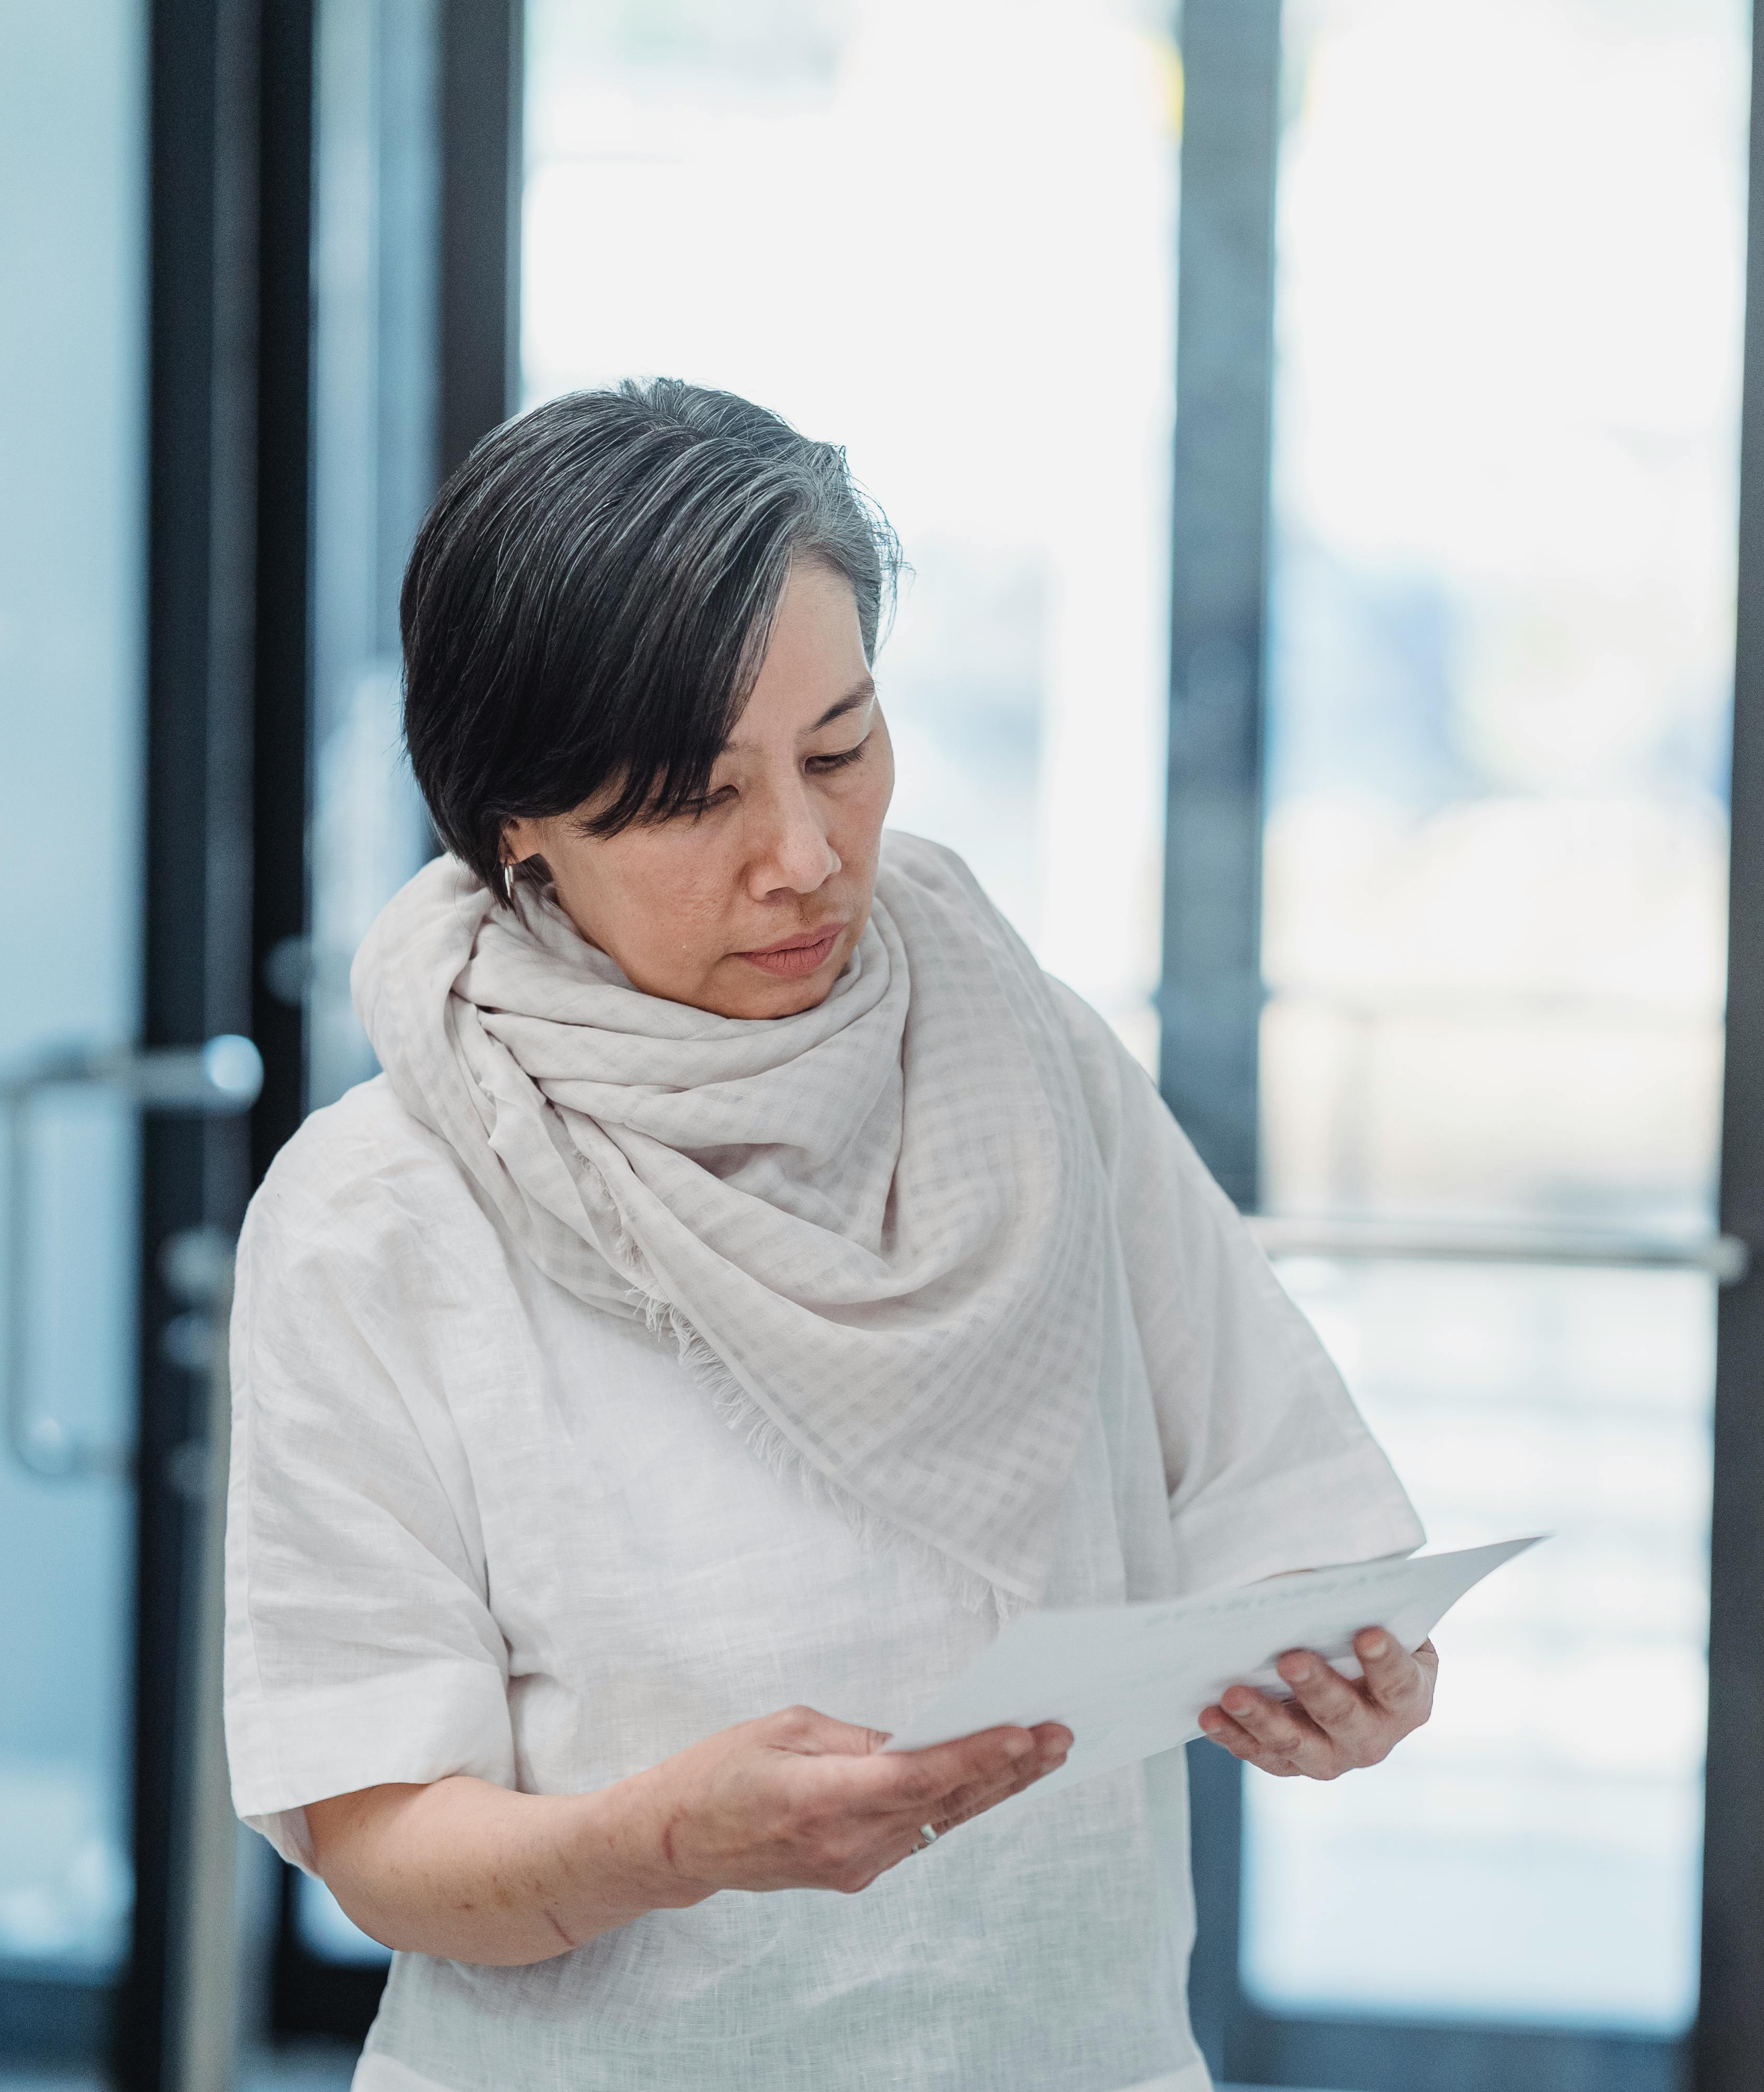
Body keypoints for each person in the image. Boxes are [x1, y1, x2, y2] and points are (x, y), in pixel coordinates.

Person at [222, 379, 1437, 2092]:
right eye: (693, 799)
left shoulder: (1028, 1055)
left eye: (843, 749)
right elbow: (381, 1843)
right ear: (521, 832)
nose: (802, 856)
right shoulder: (383, 1210)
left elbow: (1279, 1507)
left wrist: (1347, 1675)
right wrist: (668, 1840)